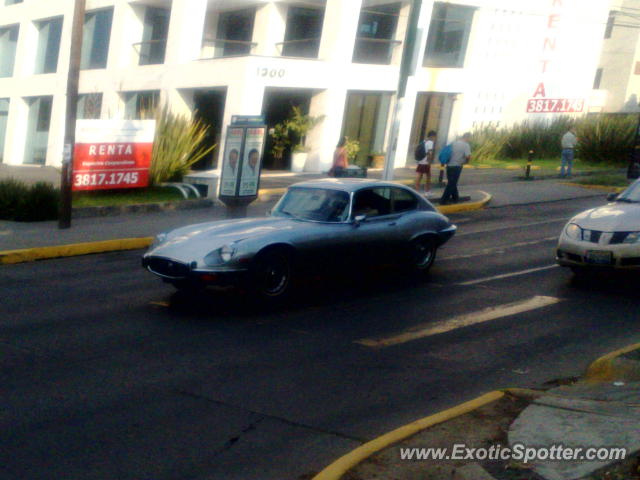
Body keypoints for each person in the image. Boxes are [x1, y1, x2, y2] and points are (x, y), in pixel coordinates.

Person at [440, 132, 471, 205]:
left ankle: (455, 198)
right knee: (452, 183)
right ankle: (443, 200)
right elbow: (468, 156)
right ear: (467, 137)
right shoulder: (466, 145)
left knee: (452, 182)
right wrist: (466, 162)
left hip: (449, 165)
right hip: (457, 166)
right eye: (469, 138)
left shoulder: (454, 143)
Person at [415, 130, 437, 195]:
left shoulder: (425, 141)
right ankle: (427, 191)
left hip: (421, 161)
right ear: (432, 136)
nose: (435, 138)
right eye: (435, 137)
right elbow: (430, 153)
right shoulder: (430, 142)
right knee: (428, 176)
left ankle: (416, 190)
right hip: (426, 162)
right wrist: (429, 162)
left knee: (420, 175)